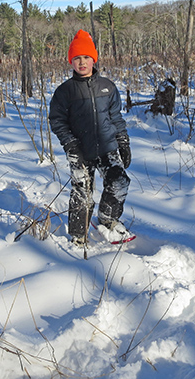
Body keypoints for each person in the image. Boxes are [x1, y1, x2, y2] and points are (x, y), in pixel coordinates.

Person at [49, 29, 132, 246]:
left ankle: (108, 219)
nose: (82, 62)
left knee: (119, 181)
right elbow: (57, 121)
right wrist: (70, 143)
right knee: (82, 191)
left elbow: (115, 116)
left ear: (93, 59)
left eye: (86, 57)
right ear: (71, 62)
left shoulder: (107, 87)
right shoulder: (64, 91)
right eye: (77, 58)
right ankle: (78, 235)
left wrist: (123, 140)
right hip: (79, 150)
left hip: (107, 146)